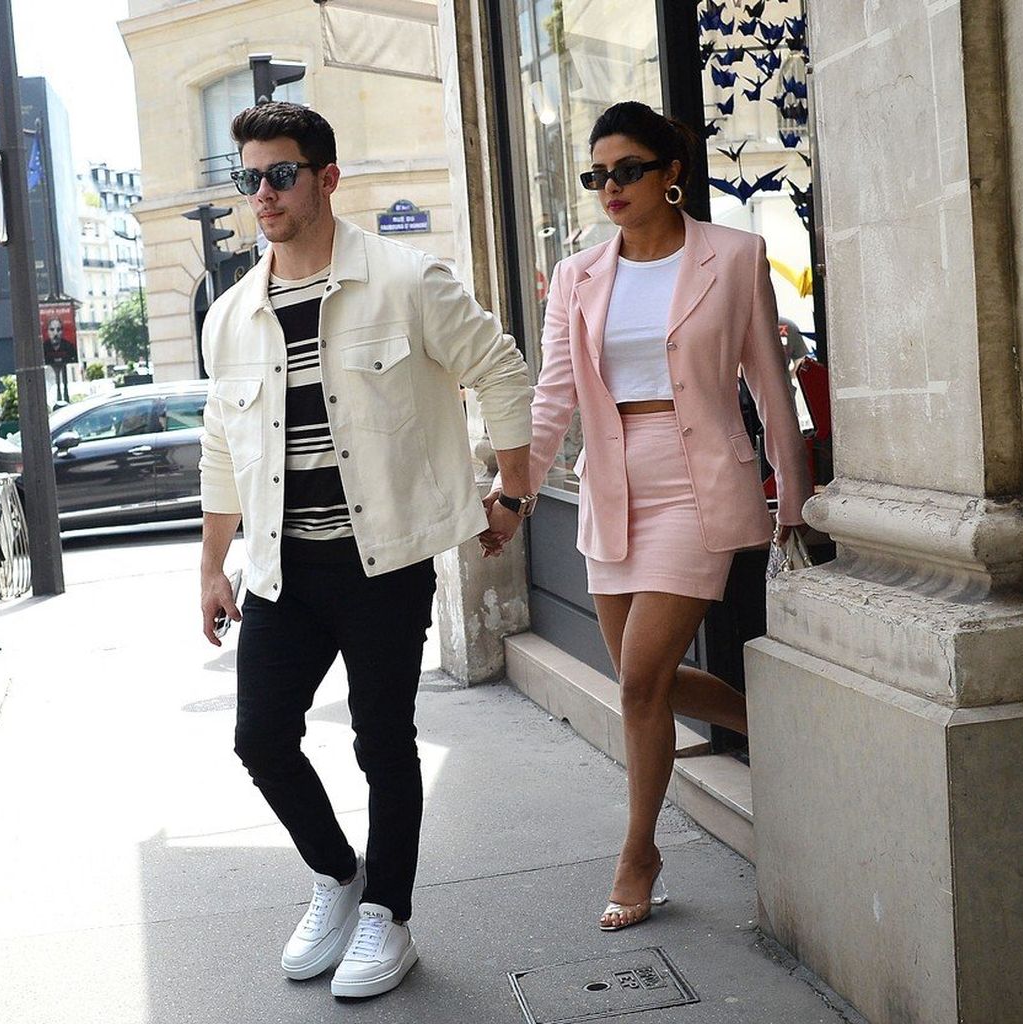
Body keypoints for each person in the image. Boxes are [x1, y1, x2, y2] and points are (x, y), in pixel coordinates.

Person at [198, 102, 534, 999]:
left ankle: (390, 912)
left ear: (327, 178)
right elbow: (221, 448)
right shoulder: (230, 315)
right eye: (248, 178)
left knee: (382, 739)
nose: (262, 194)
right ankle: (339, 875)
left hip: (382, 560)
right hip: (282, 566)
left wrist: (511, 491)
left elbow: (502, 370)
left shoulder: (407, 280)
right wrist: (211, 566)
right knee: (261, 738)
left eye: (280, 175)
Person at [484, 102, 811, 931]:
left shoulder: (732, 255)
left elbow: (768, 382)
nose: (611, 187)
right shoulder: (577, 275)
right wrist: (515, 492)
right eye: (597, 175)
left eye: (627, 169)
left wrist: (794, 494)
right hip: (610, 482)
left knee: (638, 681)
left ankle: (639, 853)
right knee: (645, 681)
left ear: (672, 172)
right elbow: (554, 395)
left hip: (697, 480)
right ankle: (769, 725)